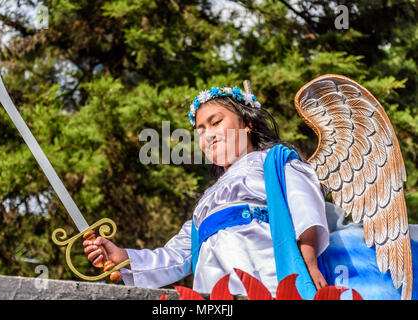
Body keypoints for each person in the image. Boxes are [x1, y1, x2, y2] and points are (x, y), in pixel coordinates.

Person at [83, 85, 329, 297]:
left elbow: (304, 207)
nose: (208, 134)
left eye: (216, 122)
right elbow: (178, 255)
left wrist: (308, 262)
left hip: (265, 274)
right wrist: (124, 257)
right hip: (214, 287)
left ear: (247, 124)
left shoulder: (274, 162)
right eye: (200, 130)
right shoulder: (207, 200)